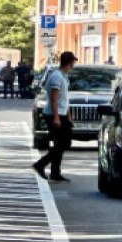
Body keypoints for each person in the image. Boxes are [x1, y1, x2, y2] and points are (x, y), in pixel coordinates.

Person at [32, 51, 77, 183]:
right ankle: (40, 164)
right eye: (73, 62)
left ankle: (55, 172)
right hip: (54, 114)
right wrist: (56, 117)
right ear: (69, 63)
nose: (73, 64)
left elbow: (64, 98)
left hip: (62, 114)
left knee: (61, 144)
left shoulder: (63, 76)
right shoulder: (56, 76)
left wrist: (68, 115)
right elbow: (54, 98)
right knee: (62, 144)